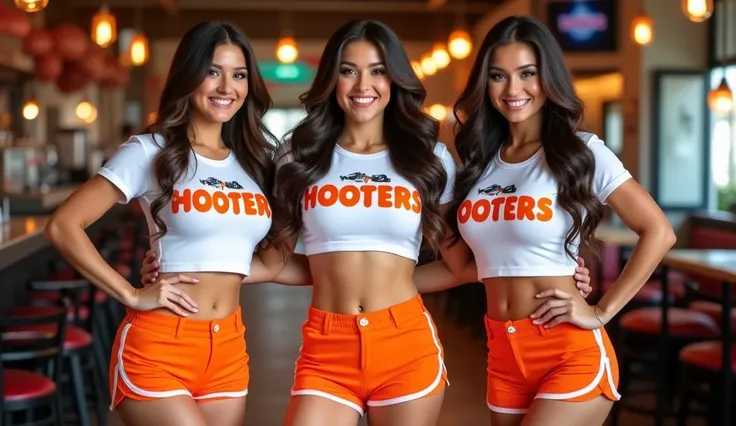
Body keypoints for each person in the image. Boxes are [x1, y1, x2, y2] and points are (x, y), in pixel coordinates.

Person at [137, 18, 596, 426]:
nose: (364, 84)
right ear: (332, 79)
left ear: (394, 80)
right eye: (349, 70)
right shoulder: (299, 156)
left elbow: (466, 260)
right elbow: (277, 260)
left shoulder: (428, 157)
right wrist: (190, 269)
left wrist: (564, 266)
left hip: (406, 341)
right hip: (326, 344)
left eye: (378, 71)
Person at [43, 21, 300, 426]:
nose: (225, 87)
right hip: (160, 345)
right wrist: (130, 294)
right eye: (212, 71)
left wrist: (347, 272)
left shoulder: (257, 163)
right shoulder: (150, 150)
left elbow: (268, 264)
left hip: (229, 347)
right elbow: (63, 225)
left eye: (238, 75)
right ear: (189, 75)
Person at [430, 16, 676, 426]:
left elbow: (659, 231)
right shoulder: (479, 164)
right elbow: (470, 267)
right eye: (498, 76)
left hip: (567, 350)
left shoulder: (581, 151)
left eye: (527, 73)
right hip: (504, 353)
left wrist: (601, 311)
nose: (513, 89)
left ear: (548, 78)